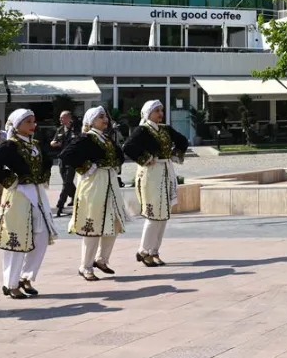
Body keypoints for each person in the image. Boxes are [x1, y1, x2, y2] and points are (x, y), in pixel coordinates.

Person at [0, 109, 56, 300]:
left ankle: (26, 276)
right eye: (28, 122)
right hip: (18, 195)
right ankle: (10, 283)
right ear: (17, 125)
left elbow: (47, 162)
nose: (34, 125)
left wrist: (43, 176)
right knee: (16, 239)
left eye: (34, 121)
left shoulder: (36, 145)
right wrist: (10, 179)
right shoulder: (10, 145)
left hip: (37, 193)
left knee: (41, 236)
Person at [62, 106, 128, 281]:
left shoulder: (106, 139)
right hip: (94, 184)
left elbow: (120, 156)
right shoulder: (86, 138)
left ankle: (101, 259)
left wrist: (114, 164)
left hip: (110, 183)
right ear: (91, 121)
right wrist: (86, 167)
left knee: (114, 222)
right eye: (100, 117)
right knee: (93, 226)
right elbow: (66, 155)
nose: (104, 119)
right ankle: (85, 266)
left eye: (105, 116)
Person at [123, 100, 189, 267]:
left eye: (161, 110)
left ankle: (154, 251)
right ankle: (143, 250)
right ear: (148, 113)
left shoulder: (165, 129)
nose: (160, 113)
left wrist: (175, 153)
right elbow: (128, 147)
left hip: (166, 171)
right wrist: (145, 158)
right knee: (153, 214)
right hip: (151, 174)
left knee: (163, 215)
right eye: (157, 110)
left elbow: (182, 140)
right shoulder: (143, 130)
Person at [50, 110, 78, 218]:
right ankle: (76, 196)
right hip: (61, 159)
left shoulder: (75, 129)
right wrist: (55, 143)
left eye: (62, 117)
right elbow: (52, 142)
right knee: (67, 182)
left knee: (67, 183)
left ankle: (60, 205)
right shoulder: (60, 130)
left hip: (72, 159)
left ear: (69, 118)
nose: (60, 119)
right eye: (60, 118)